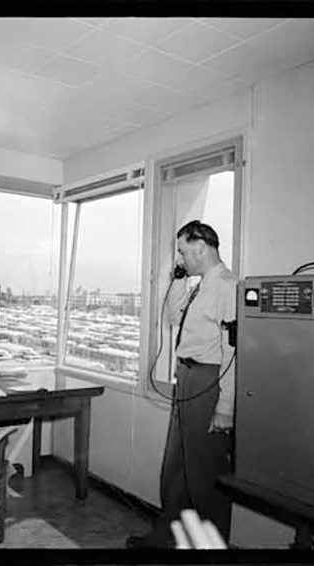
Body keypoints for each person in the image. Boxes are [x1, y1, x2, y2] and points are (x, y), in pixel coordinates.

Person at [127, 220, 237, 548]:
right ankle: (167, 537)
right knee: (176, 467)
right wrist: (178, 278)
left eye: (183, 251)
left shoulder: (228, 287)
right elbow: (174, 317)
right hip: (187, 378)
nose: (181, 257)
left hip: (210, 380)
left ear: (200, 247)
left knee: (206, 471)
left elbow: (234, 353)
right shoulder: (200, 285)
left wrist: (226, 407)